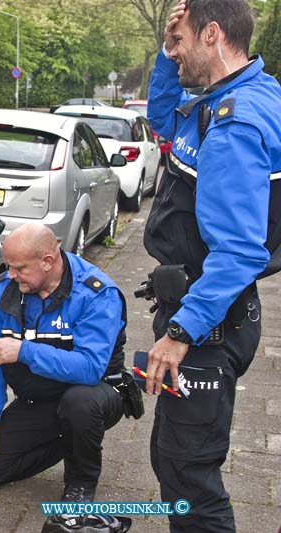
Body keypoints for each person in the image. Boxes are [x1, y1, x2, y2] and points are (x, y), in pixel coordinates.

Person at [145, 0, 281, 530]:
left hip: (209, 322)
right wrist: (163, 52)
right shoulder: (231, 97)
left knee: (189, 476)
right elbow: (162, 117)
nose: (174, 55)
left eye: (179, 44)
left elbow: (240, 251)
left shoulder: (233, 124)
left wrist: (180, 332)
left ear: (213, 35)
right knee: (171, 457)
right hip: (208, 310)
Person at [0, 223, 126, 507]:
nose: (11, 275)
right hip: (41, 398)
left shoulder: (96, 294)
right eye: (8, 266)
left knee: (80, 404)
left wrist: (25, 351)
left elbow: (90, 368)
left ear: (48, 261)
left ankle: (81, 483)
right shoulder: (5, 290)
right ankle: (71, 442)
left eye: (19, 268)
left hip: (94, 394)